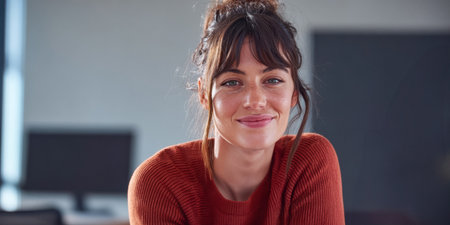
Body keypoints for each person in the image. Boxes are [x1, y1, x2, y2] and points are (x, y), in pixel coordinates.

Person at [128, 0, 345, 224]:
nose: (255, 100)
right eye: (232, 83)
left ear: (293, 93)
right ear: (204, 95)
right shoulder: (160, 181)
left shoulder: (309, 161)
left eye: (273, 80)